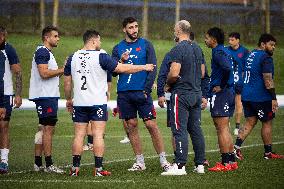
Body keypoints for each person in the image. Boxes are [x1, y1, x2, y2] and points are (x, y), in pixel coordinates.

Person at [64, 29, 155, 176]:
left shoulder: (72, 57)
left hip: (80, 102)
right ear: (93, 41)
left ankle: (75, 169)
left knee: (79, 135)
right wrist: (143, 67)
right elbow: (121, 69)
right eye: (99, 40)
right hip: (97, 102)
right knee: (98, 135)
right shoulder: (101, 56)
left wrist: (69, 99)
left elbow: (67, 82)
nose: (100, 43)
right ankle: (98, 170)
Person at [112, 17, 170, 172]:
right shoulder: (118, 48)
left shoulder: (146, 44)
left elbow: (153, 68)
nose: (135, 30)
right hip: (124, 93)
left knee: (151, 125)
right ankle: (140, 162)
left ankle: (164, 161)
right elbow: (112, 71)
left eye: (136, 26)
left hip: (142, 92)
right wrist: (121, 60)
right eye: (131, 27)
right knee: (131, 126)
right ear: (124, 29)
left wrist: (146, 89)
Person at [157, 32, 209, 174]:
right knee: (196, 129)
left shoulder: (178, 49)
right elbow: (203, 73)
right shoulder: (198, 49)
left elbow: (173, 73)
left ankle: (180, 165)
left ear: (179, 32)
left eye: (174, 31)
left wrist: (167, 84)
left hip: (182, 94)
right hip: (196, 93)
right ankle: (200, 165)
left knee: (179, 130)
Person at [234, 34, 283, 160]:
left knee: (250, 122)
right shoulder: (265, 57)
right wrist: (273, 97)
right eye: (271, 45)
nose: (273, 48)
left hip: (247, 95)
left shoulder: (251, 54)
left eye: (274, 45)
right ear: (263, 44)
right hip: (260, 97)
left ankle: (236, 148)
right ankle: (268, 153)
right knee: (267, 122)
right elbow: (268, 79)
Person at [29, 26, 64, 174]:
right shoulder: (43, 51)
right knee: (48, 128)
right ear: (47, 38)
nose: (58, 39)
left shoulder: (46, 52)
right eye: (55, 36)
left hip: (47, 95)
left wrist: (62, 69)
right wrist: (63, 69)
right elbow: (43, 73)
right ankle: (49, 165)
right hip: (46, 96)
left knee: (42, 128)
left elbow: (51, 74)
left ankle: (38, 164)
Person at [204, 27, 238, 172]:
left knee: (221, 128)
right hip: (229, 92)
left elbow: (227, 68)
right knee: (225, 127)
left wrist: (221, 85)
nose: (205, 40)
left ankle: (225, 163)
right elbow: (232, 66)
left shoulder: (218, 52)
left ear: (214, 39)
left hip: (222, 93)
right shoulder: (225, 51)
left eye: (206, 37)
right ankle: (231, 161)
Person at [0, 26, 22, 174]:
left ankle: (4, 161)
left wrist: (18, 94)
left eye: (3, 36)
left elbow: (18, 72)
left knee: (3, 126)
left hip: (5, 95)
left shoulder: (9, 50)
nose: (2, 39)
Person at [227, 32, 250, 136]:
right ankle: (226, 125)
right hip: (229, 82)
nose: (230, 42)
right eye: (229, 40)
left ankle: (237, 126)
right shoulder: (226, 50)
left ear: (237, 40)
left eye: (232, 40)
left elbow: (248, 67)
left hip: (239, 82)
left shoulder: (244, 51)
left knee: (238, 103)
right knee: (227, 103)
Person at [83, 71, 113, 151]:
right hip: (100, 95)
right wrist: (108, 92)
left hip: (89, 94)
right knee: (99, 119)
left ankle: (91, 143)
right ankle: (97, 142)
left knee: (90, 119)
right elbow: (109, 79)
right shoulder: (104, 61)